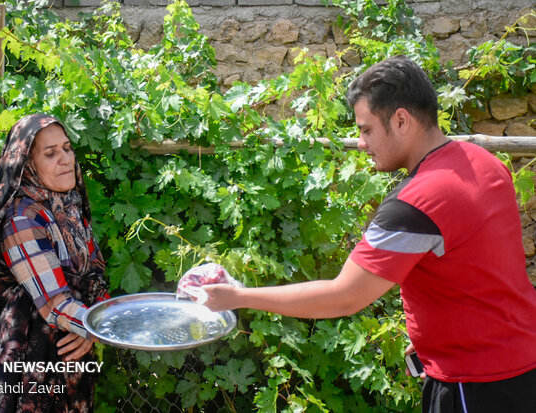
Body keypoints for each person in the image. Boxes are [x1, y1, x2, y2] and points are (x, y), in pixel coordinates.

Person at [202, 55, 536, 412]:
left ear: (401, 120)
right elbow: (483, 265)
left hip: (476, 384)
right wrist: (438, 335)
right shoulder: (483, 162)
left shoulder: (416, 203)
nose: (361, 143)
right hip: (523, 362)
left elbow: (344, 296)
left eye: (366, 129)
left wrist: (237, 297)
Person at [0, 114, 110, 413]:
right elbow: (55, 302)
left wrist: (96, 322)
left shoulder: (67, 209)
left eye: (67, 148)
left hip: (66, 362)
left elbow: (94, 277)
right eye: (51, 153)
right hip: (25, 373)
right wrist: (102, 326)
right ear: (27, 164)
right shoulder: (21, 219)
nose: (66, 159)